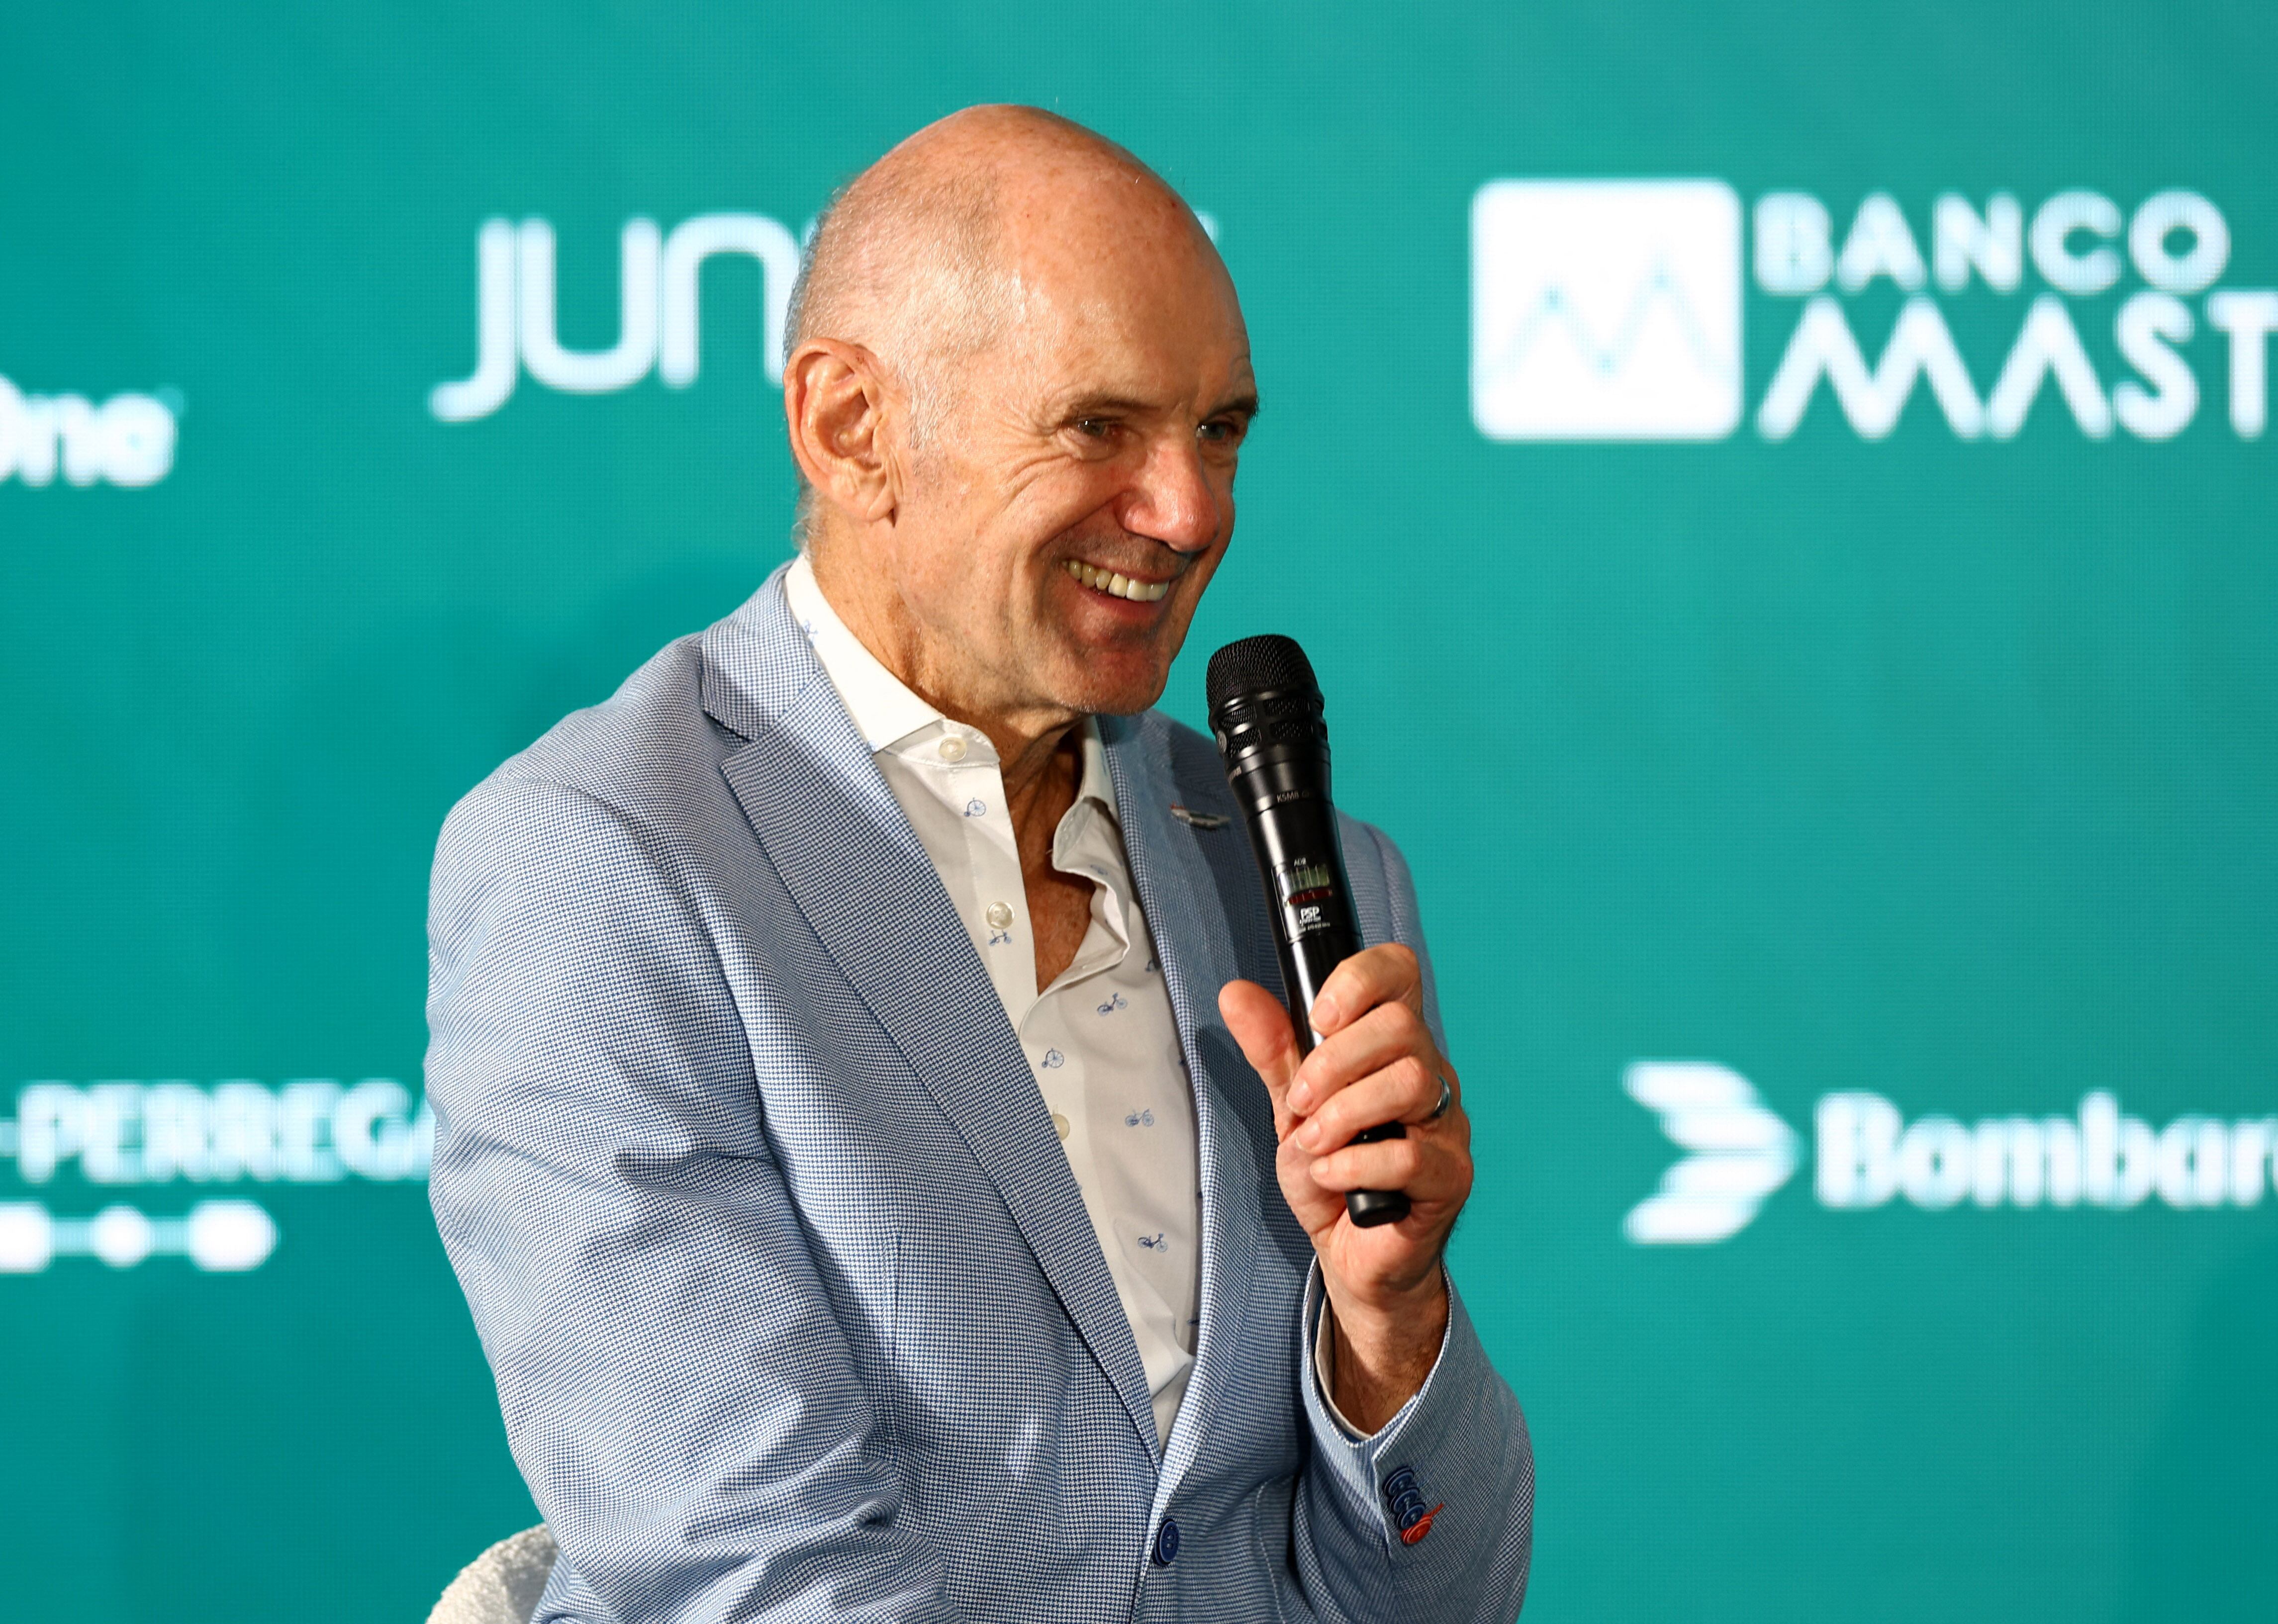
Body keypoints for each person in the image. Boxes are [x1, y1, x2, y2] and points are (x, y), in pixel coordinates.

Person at [426, 104, 1532, 1623]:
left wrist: (1386, 1334)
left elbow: (1436, 1602)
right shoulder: (607, 865)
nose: (1192, 510)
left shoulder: (1306, 877)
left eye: (1219, 430)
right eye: (1099, 426)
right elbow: (754, 1581)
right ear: (851, 427)